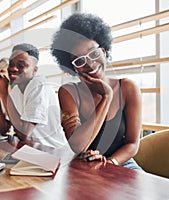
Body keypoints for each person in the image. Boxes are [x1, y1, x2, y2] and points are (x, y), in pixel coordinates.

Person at [51, 13, 143, 170]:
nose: (90, 64)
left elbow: (132, 144)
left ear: (104, 51)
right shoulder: (68, 92)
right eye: (80, 60)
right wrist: (106, 97)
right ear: (73, 67)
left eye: (93, 53)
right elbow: (78, 146)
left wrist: (109, 163)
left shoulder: (128, 88)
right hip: (84, 166)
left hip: (121, 164)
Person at [0, 43, 68, 149]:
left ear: (34, 70)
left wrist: (4, 94)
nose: (13, 69)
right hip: (31, 150)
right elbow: (3, 129)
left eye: (21, 65)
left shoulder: (39, 86)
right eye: (11, 64)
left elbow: (23, 134)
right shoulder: (16, 90)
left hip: (53, 152)